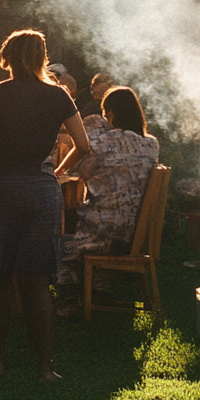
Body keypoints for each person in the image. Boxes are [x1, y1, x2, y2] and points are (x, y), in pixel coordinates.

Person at [0, 29, 89, 381]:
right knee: (37, 282)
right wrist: (57, 172)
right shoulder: (58, 95)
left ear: (7, 59)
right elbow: (82, 145)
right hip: (41, 190)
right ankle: (45, 367)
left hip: (4, 188)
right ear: (42, 58)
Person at [54, 87, 159, 316]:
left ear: (110, 114)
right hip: (136, 234)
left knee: (64, 223)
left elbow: (83, 173)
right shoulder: (152, 144)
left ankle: (68, 294)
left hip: (106, 233)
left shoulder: (103, 142)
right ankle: (99, 289)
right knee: (91, 215)